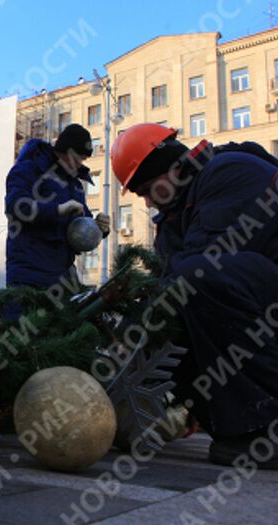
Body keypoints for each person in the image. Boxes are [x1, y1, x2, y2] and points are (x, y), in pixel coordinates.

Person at [112, 122, 278, 468]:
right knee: (168, 320)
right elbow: (162, 285)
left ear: (172, 167)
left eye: (147, 188)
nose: (147, 201)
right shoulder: (178, 212)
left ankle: (266, 428)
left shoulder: (230, 171)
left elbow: (202, 265)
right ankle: (234, 426)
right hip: (257, 298)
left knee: (197, 281)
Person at [5, 124, 110, 288]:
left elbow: (82, 222)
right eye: (79, 158)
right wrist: (57, 210)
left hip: (62, 275)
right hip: (29, 273)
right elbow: (15, 207)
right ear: (67, 151)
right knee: (27, 313)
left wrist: (99, 227)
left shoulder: (73, 184)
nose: (80, 164)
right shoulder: (29, 169)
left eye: (83, 160)